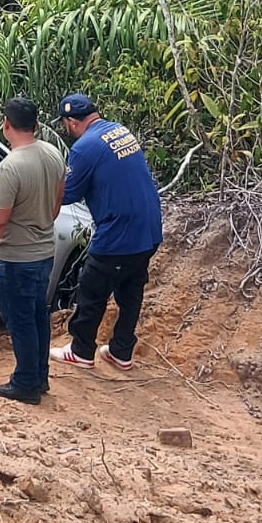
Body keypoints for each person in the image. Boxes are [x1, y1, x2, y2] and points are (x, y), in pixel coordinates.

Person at [49, 94, 162, 371]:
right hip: (149, 230)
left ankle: (81, 351)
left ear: (72, 122)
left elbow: (69, 193)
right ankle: (122, 352)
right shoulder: (119, 131)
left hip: (119, 234)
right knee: (130, 292)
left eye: (65, 124)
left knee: (92, 289)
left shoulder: (84, 147)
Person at [0, 96, 65, 405]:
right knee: (37, 316)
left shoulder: (9, 168)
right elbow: (56, 204)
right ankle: (39, 376)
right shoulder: (52, 154)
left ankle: (25, 383)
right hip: (43, 252)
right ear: (35, 125)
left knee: (20, 321)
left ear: (6, 124)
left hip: (16, 258)